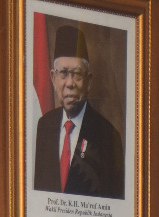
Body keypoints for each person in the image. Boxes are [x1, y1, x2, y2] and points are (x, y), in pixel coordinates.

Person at [33, 25, 124, 199]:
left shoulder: (108, 137)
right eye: (63, 73)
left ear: (88, 81)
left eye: (77, 74)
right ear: (53, 78)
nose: (70, 83)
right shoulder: (44, 126)